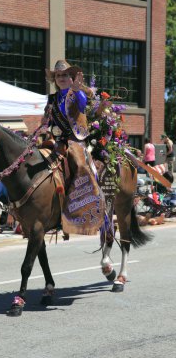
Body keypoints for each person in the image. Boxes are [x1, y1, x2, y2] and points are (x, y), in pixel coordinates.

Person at [42, 59, 105, 236]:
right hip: (57, 140)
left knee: (79, 165)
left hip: (75, 140)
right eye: (58, 75)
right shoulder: (52, 99)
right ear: (54, 79)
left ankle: (92, 201)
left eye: (65, 75)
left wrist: (77, 90)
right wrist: (44, 122)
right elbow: (48, 120)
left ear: (72, 78)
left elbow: (82, 104)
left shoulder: (77, 94)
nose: (61, 78)